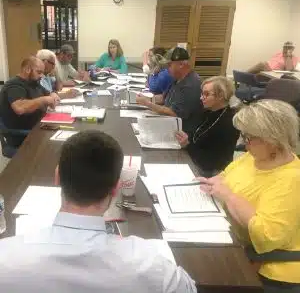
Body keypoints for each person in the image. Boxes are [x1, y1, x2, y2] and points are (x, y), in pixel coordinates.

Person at [0, 130, 197, 293]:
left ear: (57, 176)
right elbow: (187, 288)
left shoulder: (5, 256)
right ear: (116, 188)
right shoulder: (149, 264)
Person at [199, 100, 300, 292]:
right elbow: (227, 175)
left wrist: (228, 196)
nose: (243, 142)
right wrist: (213, 182)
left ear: (273, 139)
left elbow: (266, 236)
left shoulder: (291, 180)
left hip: (271, 267)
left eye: (249, 137)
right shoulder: (255, 155)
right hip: (233, 237)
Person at [176, 76, 239, 177]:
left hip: (212, 170)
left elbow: (210, 161)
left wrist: (187, 144)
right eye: (202, 93)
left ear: (221, 96)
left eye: (206, 94)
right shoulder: (208, 111)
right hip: (196, 158)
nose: (201, 98)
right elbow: (197, 135)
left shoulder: (229, 123)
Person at [137, 47, 203, 137]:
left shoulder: (191, 84)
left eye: (169, 65)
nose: (167, 69)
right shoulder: (177, 78)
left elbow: (173, 113)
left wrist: (148, 103)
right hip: (169, 125)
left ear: (181, 64)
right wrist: (146, 98)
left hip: (182, 135)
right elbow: (163, 98)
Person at [0, 56, 59, 148]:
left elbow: (49, 93)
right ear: (27, 69)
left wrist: (53, 95)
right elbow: (20, 108)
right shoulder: (14, 85)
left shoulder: (34, 82)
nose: (41, 76)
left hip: (39, 126)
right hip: (23, 135)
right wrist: (43, 100)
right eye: (39, 72)